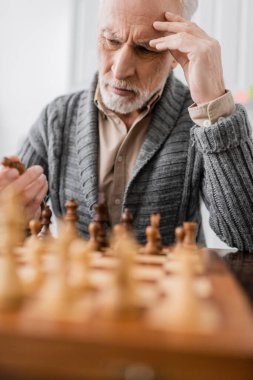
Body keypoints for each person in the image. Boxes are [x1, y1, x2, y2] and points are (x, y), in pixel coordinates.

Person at [1, 0, 253, 250]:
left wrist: (215, 107)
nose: (120, 70)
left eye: (145, 49)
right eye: (111, 40)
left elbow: (246, 235)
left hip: (165, 289)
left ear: (176, 54)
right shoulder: (56, 118)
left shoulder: (199, 121)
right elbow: (14, 220)